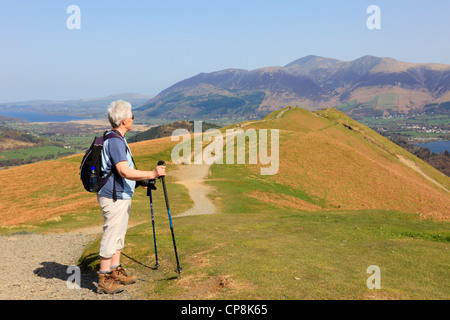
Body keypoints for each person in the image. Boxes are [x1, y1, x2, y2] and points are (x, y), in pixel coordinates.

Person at [96, 100, 166, 294]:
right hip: (114, 196)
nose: (133, 120)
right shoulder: (116, 141)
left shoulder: (116, 138)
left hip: (120, 194)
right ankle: (104, 278)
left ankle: (114, 270)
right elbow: (124, 171)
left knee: (118, 233)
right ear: (125, 119)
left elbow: (120, 173)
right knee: (111, 234)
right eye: (132, 116)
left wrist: (141, 181)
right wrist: (151, 174)